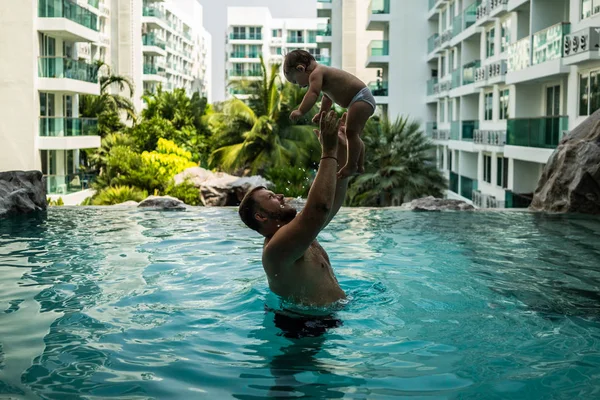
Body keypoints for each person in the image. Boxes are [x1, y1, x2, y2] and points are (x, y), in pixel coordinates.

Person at [238, 111, 349, 308]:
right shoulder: (276, 249)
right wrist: (328, 151)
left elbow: (331, 204)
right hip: (302, 328)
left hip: (325, 319)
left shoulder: (299, 234)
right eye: (271, 197)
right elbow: (319, 208)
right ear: (260, 216)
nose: (280, 195)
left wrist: (341, 150)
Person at [284, 49, 376, 179]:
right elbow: (327, 97)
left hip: (360, 99)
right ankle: (359, 166)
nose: (298, 86)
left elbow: (313, 93)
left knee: (351, 133)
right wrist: (322, 112)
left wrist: (301, 110)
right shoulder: (322, 74)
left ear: (301, 69)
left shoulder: (317, 73)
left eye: (295, 81)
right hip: (361, 99)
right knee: (354, 135)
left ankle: (351, 166)